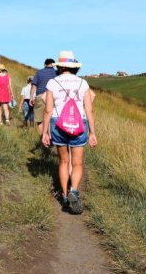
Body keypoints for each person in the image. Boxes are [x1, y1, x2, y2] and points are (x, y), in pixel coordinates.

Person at [41, 51, 97, 214]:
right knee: (77, 163)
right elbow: (89, 109)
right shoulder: (83, 83)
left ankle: (65, 197)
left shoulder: (52, 83)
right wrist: (92, 132)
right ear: (73, 66)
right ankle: (74, 190)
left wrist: (45, 132)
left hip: (58, 123)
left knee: (64, 161)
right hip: (79, 123)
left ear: (60, 66)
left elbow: (47, 110)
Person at [30, 58, 56, 134]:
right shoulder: (57, 73)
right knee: (51, 120)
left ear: (44, 64)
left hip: (40, 97)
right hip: (52, 98)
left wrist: (31, 97)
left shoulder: (39, 72)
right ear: (53, 65)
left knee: (40, 121)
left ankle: (42, 139)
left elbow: (34, 86)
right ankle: (50, 139)